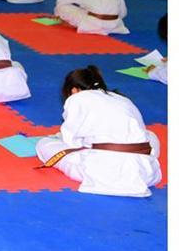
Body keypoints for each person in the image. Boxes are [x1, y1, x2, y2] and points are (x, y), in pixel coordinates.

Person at [35, 66, 161, 197]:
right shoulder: (122, 98)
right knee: (150, 135)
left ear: (73, 90)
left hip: (103, 173)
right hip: (146, 173)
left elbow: (71, 142)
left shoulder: (77, 98)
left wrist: (58, 138)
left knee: (44, 144)